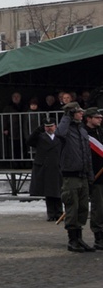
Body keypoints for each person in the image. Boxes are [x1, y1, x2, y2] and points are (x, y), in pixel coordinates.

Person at [56, 102, 95, 252]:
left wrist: (90, 176)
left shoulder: (82, 130)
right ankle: (72, 239)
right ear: (72, 113)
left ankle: (79, 238)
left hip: (83, 174)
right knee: (72, 207)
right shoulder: (66, 129)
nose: (82, 114)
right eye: (78, 112)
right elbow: (59, 133)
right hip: (70, 175)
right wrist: (67, 116)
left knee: (83, 208)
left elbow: (87, 155)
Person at [27, 118, 63, 221]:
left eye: (51, 126)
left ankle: (59, 213)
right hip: (46, 167)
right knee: (49, 192)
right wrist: (38, 130)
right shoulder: (40, 137)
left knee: (58, 191)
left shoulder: (59, 137)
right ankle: (51, 214)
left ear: (55, 126)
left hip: (57, 166)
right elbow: (29, 141)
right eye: (47, 126)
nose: (49, 128)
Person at [83, 107, 103, 249]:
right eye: (96, 117)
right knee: (99, 207)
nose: (100, 119)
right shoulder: (84, 134)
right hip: (96, 175)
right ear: (88, 119)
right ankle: (99, 237)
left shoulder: (100, 132)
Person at [2, 91, 26, 162]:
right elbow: (4, 118)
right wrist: (5, 128)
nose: (16, 98)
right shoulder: (8, 108)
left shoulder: (24, 107)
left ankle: (23, 162)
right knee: (14, 147)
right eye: (14, 97)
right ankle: (14, 163)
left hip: (23, 130)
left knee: (23, 147)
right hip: (13, 130)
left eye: (17, 96)